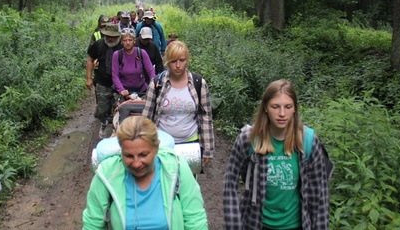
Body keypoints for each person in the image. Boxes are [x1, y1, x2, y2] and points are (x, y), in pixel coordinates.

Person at [223, 79, 333, 230]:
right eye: (275, 107)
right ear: (266, 108)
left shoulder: (308, 141)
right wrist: (234, 225)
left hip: (296, 225)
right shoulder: (248, 139)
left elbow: (320, 197)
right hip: (256, 223)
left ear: (295, 109)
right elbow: (230, 184)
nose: (282, 114)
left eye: (288, 107)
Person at [82, 116, 208, 230]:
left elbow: (195, 219)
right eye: (129, 156)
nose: (136, 164)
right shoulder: (107, 173)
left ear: (156, 148)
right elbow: (92, 223)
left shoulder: (176, 168)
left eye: (143, 155)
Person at [142, 41, 214, 170]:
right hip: (162, 143)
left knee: (187, 185)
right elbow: (146, 117)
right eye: (173, 61)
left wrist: (207, 148)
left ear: (187, 60)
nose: (178, 66)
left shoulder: (198, 83)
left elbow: (206, 117)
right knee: (164, 184)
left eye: (182, 60)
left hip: (190, 142)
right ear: (167, 62)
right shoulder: (157, 83)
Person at [87, 23, 123, 138]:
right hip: (102, 81)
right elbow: (90, 59)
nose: (111, 39)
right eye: (108, 36)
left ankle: (116, 129)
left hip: (120, 82)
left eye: (113, 36)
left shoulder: (123, 45)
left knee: (119, 107)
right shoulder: (98, 45)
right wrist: (88, 78)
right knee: (102, 109)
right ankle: (103, 122)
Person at [112, 28, 156, 100]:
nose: (128, 43)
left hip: (141, 90)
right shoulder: (117, 55)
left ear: (134, 41)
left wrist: (153, 84)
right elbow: (115, 75)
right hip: (124, 91)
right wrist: (121, 89)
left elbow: (150, 71)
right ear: (121, 42)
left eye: (130, 40)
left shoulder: (142, 53)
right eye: (125, 40)